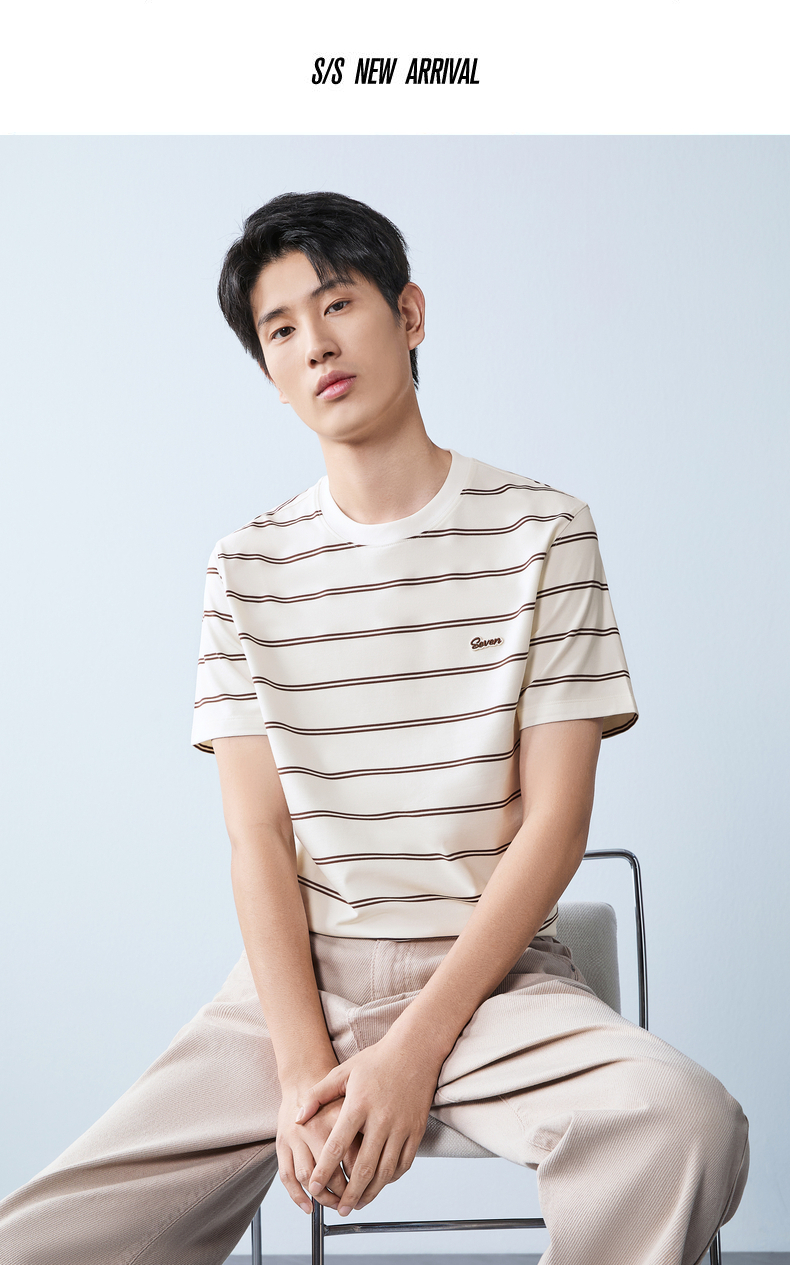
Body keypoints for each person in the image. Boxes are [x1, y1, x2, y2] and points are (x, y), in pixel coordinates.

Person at [0, 191, 748, 1265]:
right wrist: (302, 1067)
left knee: (687, 1124)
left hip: (491, 986)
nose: (315, 344)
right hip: (297, 987)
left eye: (337, 303)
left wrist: (411, 1053)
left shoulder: (544, 531)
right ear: (269, 369)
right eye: (280, 329)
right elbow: (257, 837)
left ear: (410, 314)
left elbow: (556, 825)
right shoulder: (244, 567)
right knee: (37, 1240)